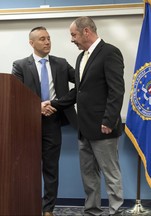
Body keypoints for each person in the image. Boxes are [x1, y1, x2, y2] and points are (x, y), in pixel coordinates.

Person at [50, 16, 125, 216]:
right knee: (88, 174)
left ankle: (115, 211)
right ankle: (92, 211)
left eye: (73, 35)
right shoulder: (81, 57)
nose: (72, 39)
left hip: (103, 127)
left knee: (111, 173)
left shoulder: (110, 52)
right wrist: (54, 104)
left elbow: (116, 91)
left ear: (86, 31)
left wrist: (109, 121)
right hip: (84, 128)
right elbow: (79, 91)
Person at [12, 26, 77, 216]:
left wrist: (58, 104)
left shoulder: (61, 64)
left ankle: (48, 209)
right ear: (31, 43)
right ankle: (29, 205)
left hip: (53, 122)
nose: (47, 42)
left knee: (50, 168)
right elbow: (16, 95)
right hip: (28, 124)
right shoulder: (20, 65)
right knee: (28, 168)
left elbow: (82, 82)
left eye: (48, 38)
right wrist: (37, 106)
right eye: (42, 39)